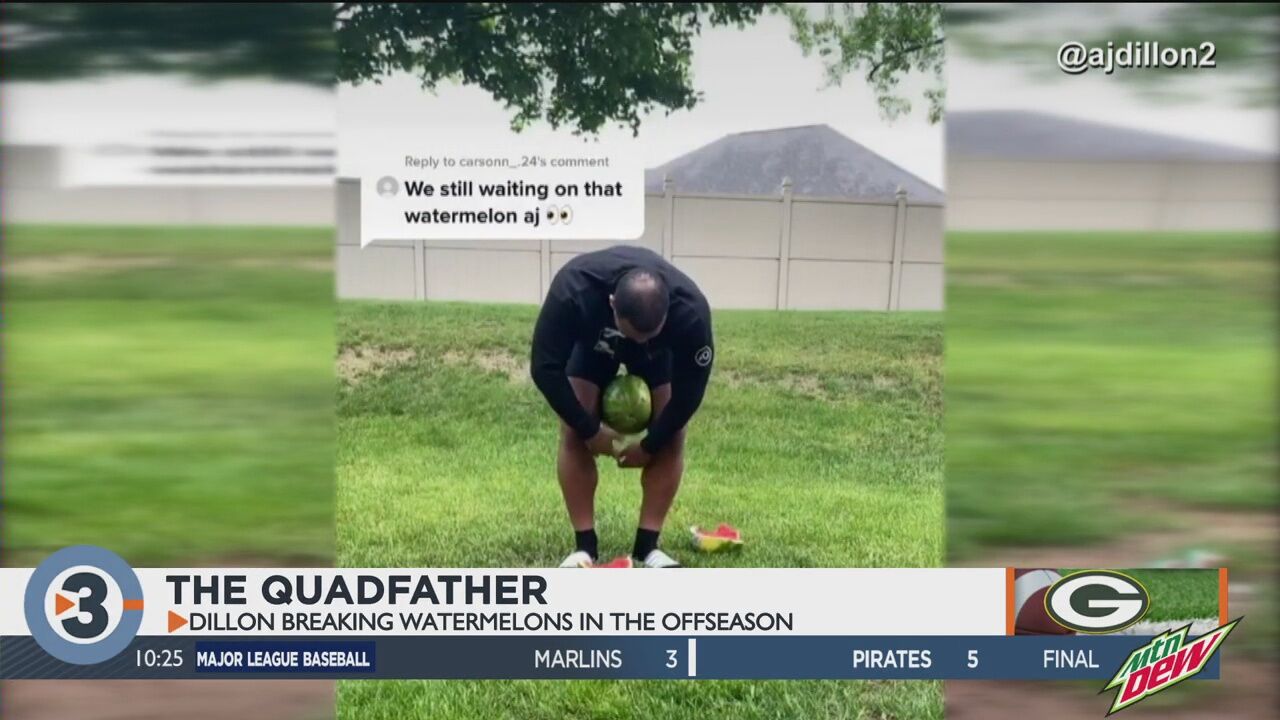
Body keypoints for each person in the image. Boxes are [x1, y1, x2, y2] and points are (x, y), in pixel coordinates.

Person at [530, 245, 714, 568]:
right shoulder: (573, 291)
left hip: (660, 355)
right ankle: (584, 547)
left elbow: (690, 392)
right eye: (635, 335)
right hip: (594, 341)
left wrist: (651, 442)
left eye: (647, 335)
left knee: (674, 433)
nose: (638, 343)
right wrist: (589, 430)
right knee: (572, 427)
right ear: (613, 304)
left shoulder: (691, 311)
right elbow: (544, 369)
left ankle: (648, 547)